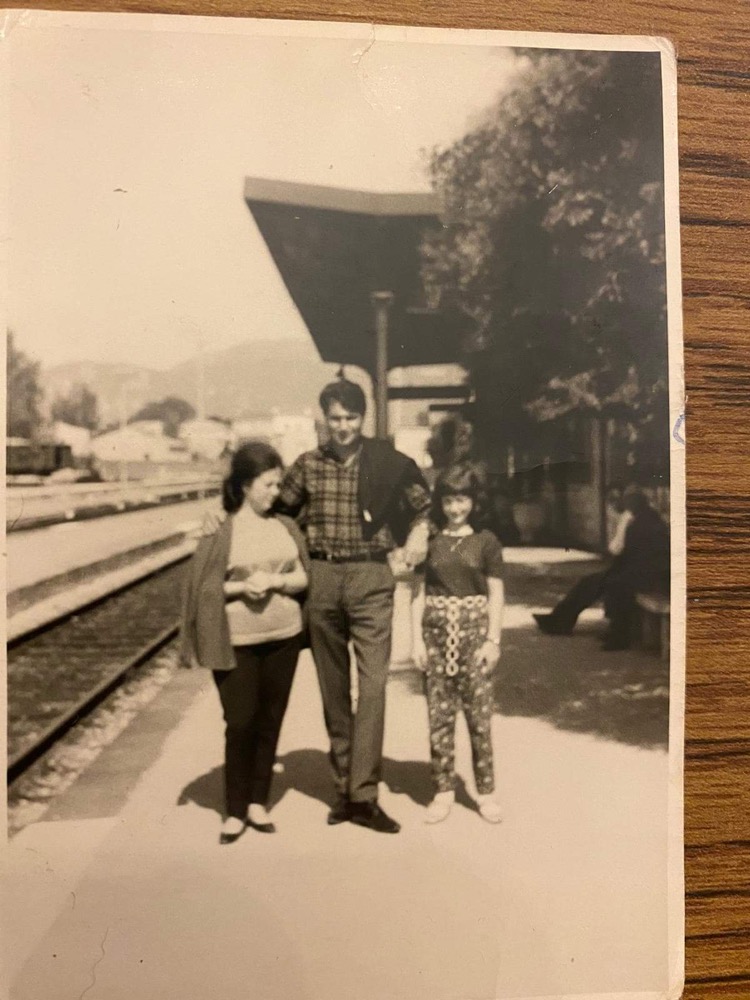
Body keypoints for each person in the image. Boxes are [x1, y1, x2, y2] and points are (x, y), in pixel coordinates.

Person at [277, 378, 431, 834]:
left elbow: (425, 507)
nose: (342, 427)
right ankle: (345, 787)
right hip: (322, 580)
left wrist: (418, 538)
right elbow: (278, 510)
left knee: (374, 687)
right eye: (335, 418)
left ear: (363, 419)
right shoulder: (307, 465)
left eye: (351, 418)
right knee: (333, 689)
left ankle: (364, 795)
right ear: (323, 419)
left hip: (371, 578)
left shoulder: (387, 463)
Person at [180, 441, 310, 844]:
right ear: (246, 485)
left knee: (270, 720)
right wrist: (239, 589)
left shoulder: (285, 526)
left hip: (283, 638)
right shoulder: (219, 529)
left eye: (278, 484)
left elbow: (304, 577)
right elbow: (202, 589)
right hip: (236, 641)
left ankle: (257, 802)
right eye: (269, 484)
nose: (277, 492)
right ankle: (234, 810)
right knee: (240, 722)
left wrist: (276, 581)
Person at [411, 465, 505, 825]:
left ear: (473, 501)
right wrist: (416, 640)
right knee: (439, 717)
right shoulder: (430, 541)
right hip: (436, 636)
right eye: (449, 500)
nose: (455, 508)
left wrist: (492, 640)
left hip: (474, 638)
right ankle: (443, 790)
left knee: (479, 718)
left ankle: (486, 792)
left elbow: (496, 593)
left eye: (462, 499)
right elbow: (417, 594)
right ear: (441, 501)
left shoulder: (486, 541)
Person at [533, 486, 670, 651]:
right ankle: (558, 620)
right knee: (589, 582)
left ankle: (618, 637)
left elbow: (617, 550)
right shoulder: (641, 518)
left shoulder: (641, 522)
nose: (625, 505)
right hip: (637, 571)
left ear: (635, 503)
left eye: (629, 501)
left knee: (614, 585)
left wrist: (623, 525)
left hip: (650, 577)